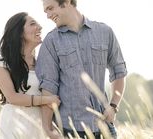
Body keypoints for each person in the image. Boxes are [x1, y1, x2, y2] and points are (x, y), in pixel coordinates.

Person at [36, 0, 127, 138]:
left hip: (105, 129)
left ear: (66, 2)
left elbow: (119, 71)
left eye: (50, 8)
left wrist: (113, 106)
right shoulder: (51, 41)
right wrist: (47, 129)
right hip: (70, 130)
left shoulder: (105, 32)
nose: (48, 15)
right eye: (46, 11)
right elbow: (48, 88)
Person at [0, 12, 60, 139]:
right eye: (33, 24)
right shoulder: (1, 64)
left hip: (40, 123)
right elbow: (13, 97)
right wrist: (47, 100)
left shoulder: (44, 64)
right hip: (15, 122)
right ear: (19, 32)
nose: (40, 27)